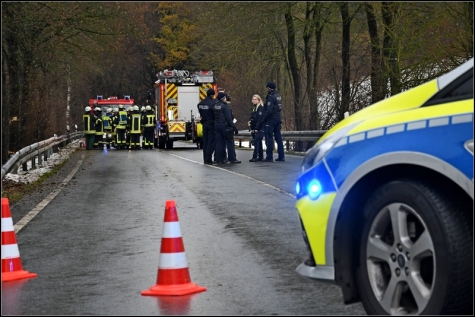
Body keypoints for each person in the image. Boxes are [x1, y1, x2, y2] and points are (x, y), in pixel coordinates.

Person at [213, 92, 241, 164]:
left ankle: (219, 159)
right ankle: (232, 158)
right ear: (223, 98)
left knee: (219, 143)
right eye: (225, 98)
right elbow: (229, 118)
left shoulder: (215, 105)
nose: (226, 99)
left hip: (216, 124)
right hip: (224, 126)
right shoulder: (225, 107)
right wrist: (234, 127)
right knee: (230, 142)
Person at [262, 81, 285, 162]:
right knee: (278, 137)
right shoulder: (278, 95)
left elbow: (269, 111)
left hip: (271, 119)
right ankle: (281, 156)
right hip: (278, 118)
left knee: (269, 137)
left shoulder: (271, 97)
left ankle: (269, 156)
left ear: (269, 88)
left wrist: (264, 119)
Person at [197, 88, 217, 165]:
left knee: (205, 141)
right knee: (210, 142)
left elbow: (200, 112)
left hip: (204, 124)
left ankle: (205, 158)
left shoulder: (201, 104)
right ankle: (208, 159)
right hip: (211, 124)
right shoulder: (212, 104)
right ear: (213, 95)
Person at [249, 94, 265, 162]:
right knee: (258, 141)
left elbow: (260, 119)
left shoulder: (260, 108)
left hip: (260, 128)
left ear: (259, 100)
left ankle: (255, 156)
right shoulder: (254, 108)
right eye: (253, 99)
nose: (254, 101)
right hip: (256, 127)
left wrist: (257, 128)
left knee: (256, 141)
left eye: (255, 99)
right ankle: (261, 156)